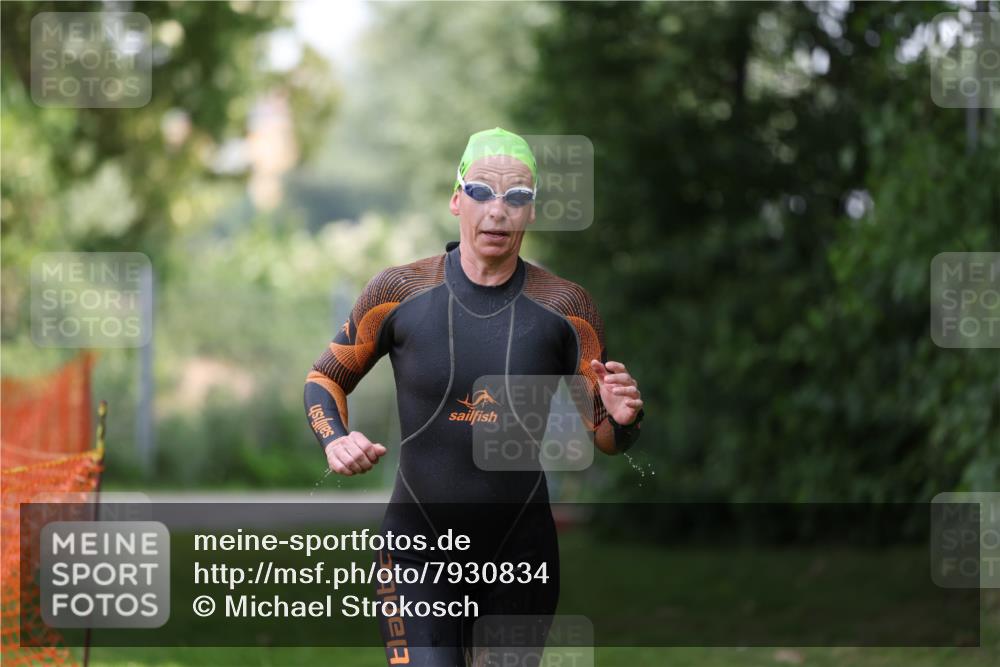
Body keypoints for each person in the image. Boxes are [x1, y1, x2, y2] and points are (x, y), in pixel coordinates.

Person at [304, 127, 644, 666]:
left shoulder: (566, 308)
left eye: (518, 197)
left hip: (520, 554)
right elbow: (324, 379)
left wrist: (625, 418)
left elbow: (606, 436)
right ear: (456, 198)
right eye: (483, 192)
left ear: (531, 212)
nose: (498, 210)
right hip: (416, 549)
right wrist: (335, 439)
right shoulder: (399, 291)